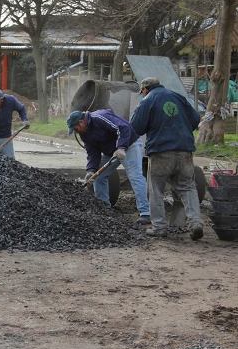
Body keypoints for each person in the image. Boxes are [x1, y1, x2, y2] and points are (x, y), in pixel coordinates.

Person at [130, 77, 203, 240]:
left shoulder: (147, 100)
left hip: (161, 151)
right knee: (188, 187)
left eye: (142, 92)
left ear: (145, 89)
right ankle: (196, 223)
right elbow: (195, 119)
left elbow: (136, 127)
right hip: (185, 150)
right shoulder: (178, 97)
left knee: (156, 190)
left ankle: (159, 227)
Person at [67, 109, 151, 224]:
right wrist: (91, 170)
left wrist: (121, 147)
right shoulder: (84, 133)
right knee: (98, 177)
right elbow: (92, 152)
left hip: (129, 144)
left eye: (75, 128)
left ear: (81, 122)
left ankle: (145, 213)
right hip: (111, 151)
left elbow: (123, 128)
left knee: (135, 176)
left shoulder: (100, 118)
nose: (76, 132)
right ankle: (104, 209)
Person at [0, 88, 30, 158]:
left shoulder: (11, 100)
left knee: (10, 160)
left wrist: (25, 119)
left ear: (1, 100)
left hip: (5, 135)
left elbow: (21, 108)